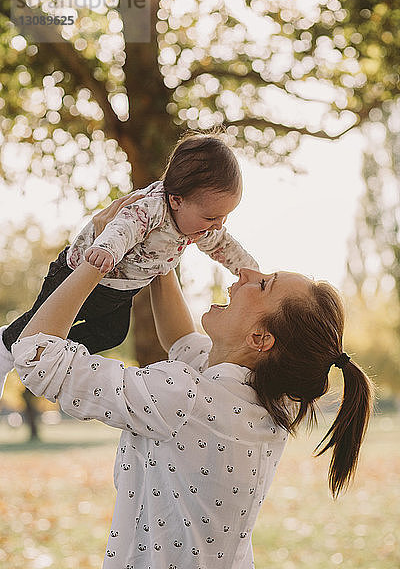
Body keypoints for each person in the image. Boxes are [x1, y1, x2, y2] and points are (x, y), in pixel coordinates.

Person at [10, 199, 374, 568]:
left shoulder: (183, 396)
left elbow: (38, 358)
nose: (246, 273)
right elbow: (183, 341)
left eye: (263, 285)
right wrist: (159, 245)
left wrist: (97, 255)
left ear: (261, 340)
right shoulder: (269, 399)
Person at [0, 131, 259, 396]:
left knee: (113, 334)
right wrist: (106, 249)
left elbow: (224, 246)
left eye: (224, 217)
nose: (218, 225)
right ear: (177, 200)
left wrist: (251, 271)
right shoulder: (151, 208)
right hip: (78, 275)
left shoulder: (199, 226)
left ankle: (53, 353)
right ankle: (5, 345)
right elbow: (123, 227)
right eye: (211, 217)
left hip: (121, 290)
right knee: (40, 321)